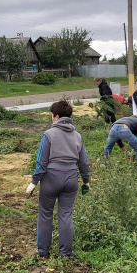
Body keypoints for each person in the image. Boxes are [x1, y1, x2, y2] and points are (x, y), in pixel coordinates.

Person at [26, 100, 90, 258]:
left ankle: (43, 251)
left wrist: (34, 182)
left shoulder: (49, 135)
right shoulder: (77, 136)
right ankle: (66, 252)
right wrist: (86, 180)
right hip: (71, 178)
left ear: (56, 117)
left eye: (51, 115)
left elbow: (42, 162)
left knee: (45, 214)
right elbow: (83, 162)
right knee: (66, 215)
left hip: (51, 178)